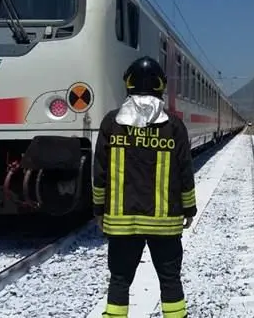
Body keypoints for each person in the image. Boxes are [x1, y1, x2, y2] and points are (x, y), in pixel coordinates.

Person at [92, 56, 197, 318]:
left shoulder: (110, 123)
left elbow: (100, 173)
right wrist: (189, 209)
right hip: (165, 223)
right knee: (170, 281)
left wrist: (98, 210)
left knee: (119, 280)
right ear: (160, 86)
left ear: (128, 85)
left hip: (121, 223)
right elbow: (185, 171)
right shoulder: (174, 126)